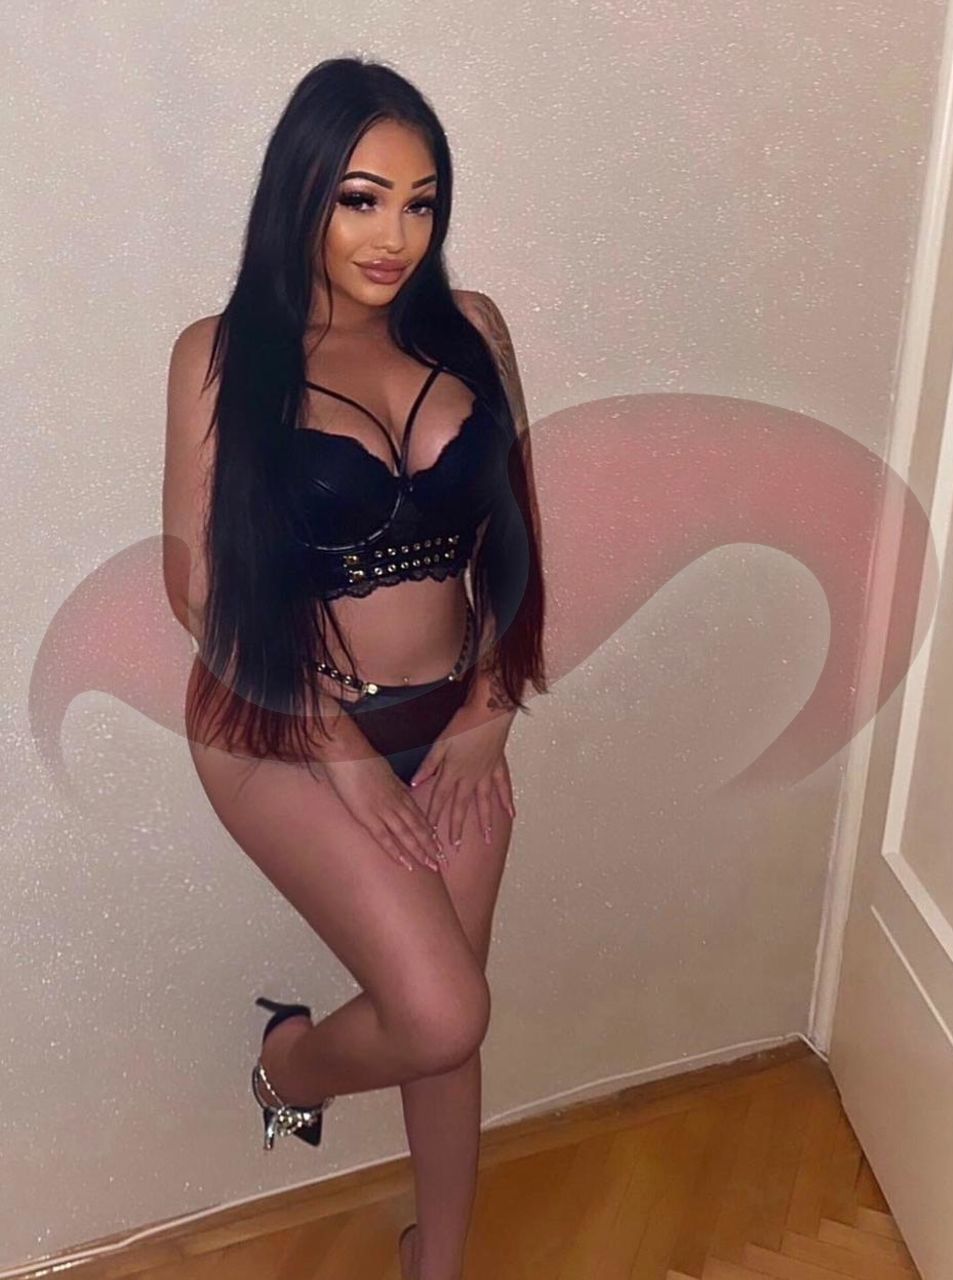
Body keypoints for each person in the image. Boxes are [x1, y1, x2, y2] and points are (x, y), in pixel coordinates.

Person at [162, 56, 547, 1280]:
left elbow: (519, 542)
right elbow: (197, 590)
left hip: (455, 714)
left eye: (421, 202)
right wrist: (345, 755)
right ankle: (290, 1063)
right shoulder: (221, 355)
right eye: (362, 199)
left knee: (449, 1020)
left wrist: (489, 710)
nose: (396, 236)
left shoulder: (472, 328)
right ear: (304, 194)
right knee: (441, 1007)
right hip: (278, 726)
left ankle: (438, 1264)